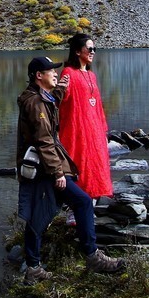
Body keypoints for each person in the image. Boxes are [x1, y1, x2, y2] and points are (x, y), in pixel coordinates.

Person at [16, 55, 123, 284]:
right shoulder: (34, 103)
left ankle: (34, 268)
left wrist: (61, 91)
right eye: (51, 71)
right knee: (81, 202)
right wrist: (58, 173)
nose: (56, 73)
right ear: (39, 76)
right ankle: (92, 256)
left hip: (44, 167)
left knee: (38, 215)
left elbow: (49, 105)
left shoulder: (40, 97)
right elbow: (44, 140)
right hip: (44, 169)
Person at [58, 33, 113, 200]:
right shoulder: (68, 72)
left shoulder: (91, 75)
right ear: (77, 51)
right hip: (78, 128)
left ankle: (96, 199)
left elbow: (98, 106)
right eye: (89, 48)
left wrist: (103, 130)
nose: (93, 52)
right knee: (80, 162)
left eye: (94, 49)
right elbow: (61, 100)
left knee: (97, 163)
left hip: (94, 129)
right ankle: (76, 205)